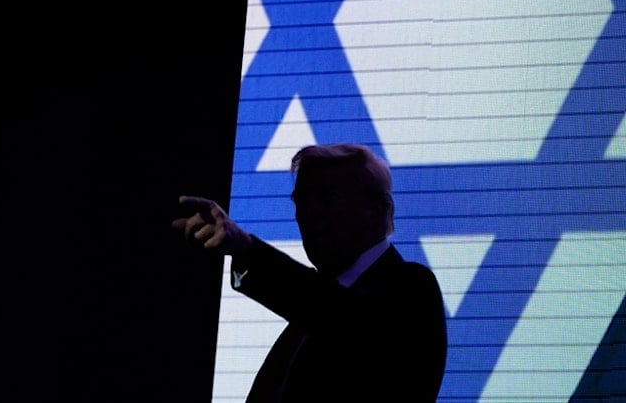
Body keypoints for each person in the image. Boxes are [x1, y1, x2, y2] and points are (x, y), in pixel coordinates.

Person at [172, 143, 448, 402]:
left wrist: (247, 249)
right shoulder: (306, 320)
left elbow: (344, 320)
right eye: (301, 201)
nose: (308, 213)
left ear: (374, 211)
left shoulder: (410, 289)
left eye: (327, 198)